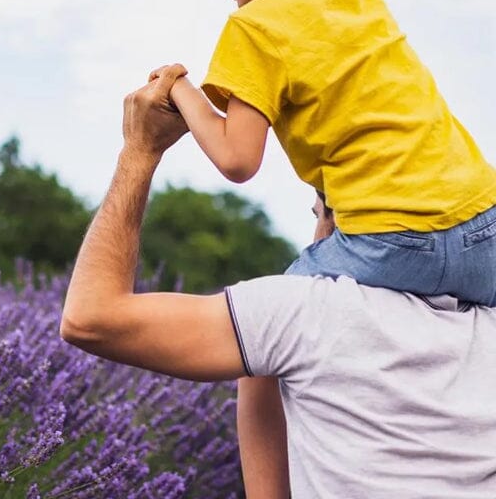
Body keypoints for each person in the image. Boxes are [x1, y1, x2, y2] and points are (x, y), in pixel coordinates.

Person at [70, 0, 496, 493]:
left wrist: (179, 89)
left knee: (261, 344)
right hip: (482, 231)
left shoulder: (255, 29)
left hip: (393, 243)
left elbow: (238, 160)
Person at [60, 70, 496, 498]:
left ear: (343, 221)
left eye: (317, 214)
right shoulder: (484, 323)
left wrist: (139, 150)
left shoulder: (306, 312)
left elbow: (92, 319)